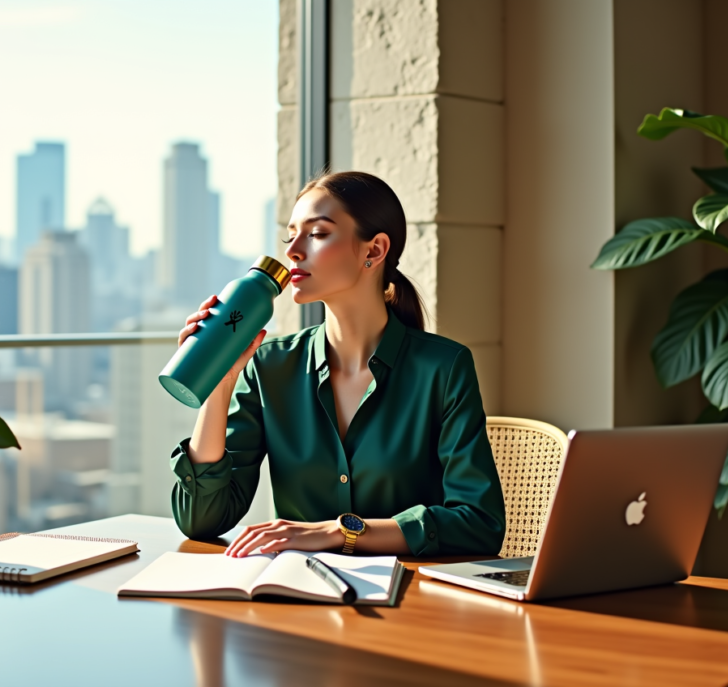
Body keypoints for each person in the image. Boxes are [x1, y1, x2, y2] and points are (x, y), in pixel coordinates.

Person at [169, 171, 506, 558]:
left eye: (317, 233)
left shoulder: (444, 368)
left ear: (374, 250)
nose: (293, 250)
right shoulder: (268, 366)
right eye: (290, 235)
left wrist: (340, 533)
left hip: (409, 601)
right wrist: (219, 383)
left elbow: (480, 523)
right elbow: (202, 520)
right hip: (293, 597)